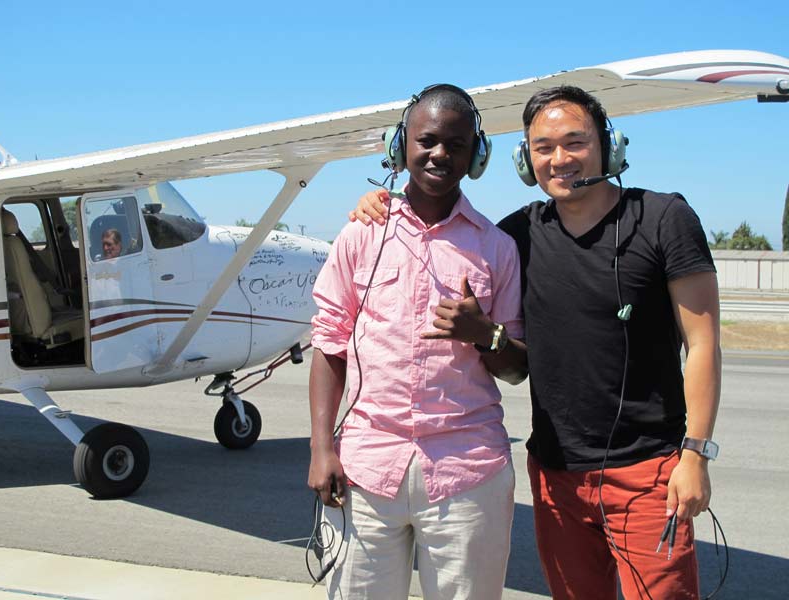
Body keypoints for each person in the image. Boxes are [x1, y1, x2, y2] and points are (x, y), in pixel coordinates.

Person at [351, 85, 721, 599]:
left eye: (575, 142)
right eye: (543, 147)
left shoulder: (664, 219)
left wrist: (696, 456)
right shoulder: (518, 234)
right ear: (526, 160)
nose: (560, 159)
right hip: (556, 475)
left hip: (649, 471)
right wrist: (380, 203)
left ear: (607, 146)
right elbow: (445, 225)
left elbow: (702, 344)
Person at [308, 84, 527, 600]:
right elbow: (330, 344)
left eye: (456, 144)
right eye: (427, 140)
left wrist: (483, 333)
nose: (440, 154)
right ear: (400, 145)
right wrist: (321, 448)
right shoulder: (362, 233)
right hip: (365, 469)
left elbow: (517, 367)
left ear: (477, 155)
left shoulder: (497, 248)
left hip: (467, 474)